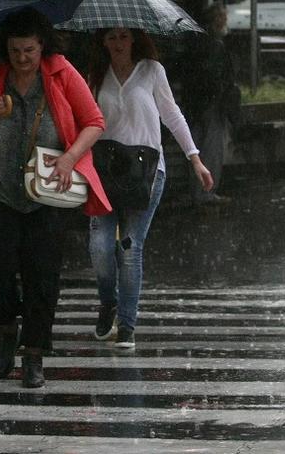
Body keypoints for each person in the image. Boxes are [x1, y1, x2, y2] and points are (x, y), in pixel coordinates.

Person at [0, 9, 111, 388]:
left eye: (29, 50)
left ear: (42, 45)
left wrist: (70, 158)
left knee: (42, 276)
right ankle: (7, 329)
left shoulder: (61, 72)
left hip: (47, 194)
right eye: (15, 51)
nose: (23, 58)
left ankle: (33, 354)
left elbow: (94, 122)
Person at [87, 27, 214, 348]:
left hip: (146, 173)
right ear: (103, 41)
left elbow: (172, 115)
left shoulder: (152, 71)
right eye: (111, 37)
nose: (118, 43)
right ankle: (108, 303)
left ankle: (127, 325)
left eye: (123, 36)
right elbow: (84, 120)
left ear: (134, 39)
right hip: (105, 172)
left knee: (130, 248)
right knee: (100, 246)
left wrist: (195, 158)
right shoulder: (96, 75)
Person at [182, 2, 240, 205]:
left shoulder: (195, 42)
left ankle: (197, 192)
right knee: (212, 148)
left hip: (194, 104)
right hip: (211, 104)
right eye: (223, 18)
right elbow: (216, 77)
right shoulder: (215, 45)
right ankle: (206, 192)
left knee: (196, 147)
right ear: (217, 20)